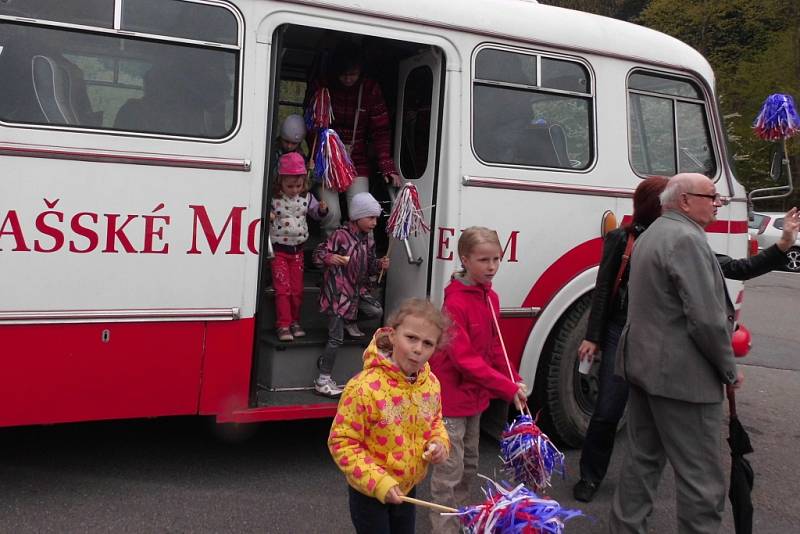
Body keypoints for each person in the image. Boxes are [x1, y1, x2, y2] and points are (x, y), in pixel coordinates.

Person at [573, 181, 800, 503]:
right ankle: (590, 476)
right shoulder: (624, 238)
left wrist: (782, 246)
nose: (718, 203)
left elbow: (738, 268)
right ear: (659, 204)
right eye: (711, 197)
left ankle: (637, 488)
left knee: (648, 424)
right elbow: (603, 289)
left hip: (661, 342)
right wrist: (592, 337)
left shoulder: (688, 240)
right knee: (608, 409)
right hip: (622, 331)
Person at [609, 173, 745, 533]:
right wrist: (729, 370)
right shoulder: (686, 239)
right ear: (685, 200)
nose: (717, 203)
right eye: (712, 196)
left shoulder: (653, 233)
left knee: (641, 464)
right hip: (683, 380)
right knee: (702, 483)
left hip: (642, 369)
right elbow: (707, 320)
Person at [428, 226, 528, 534]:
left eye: (496, 259)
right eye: (484, 260)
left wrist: (515, 380)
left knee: (469, 464)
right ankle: (444, 528)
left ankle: (457, 520)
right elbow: (465, 359)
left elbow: (496, 346)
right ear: (465, 260)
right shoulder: (455, 304)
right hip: (452, 400)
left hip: (475, 398)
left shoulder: (491, 297)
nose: (492, 267)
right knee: (449, 470)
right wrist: (505, 387)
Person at [328, 298, 450, 534]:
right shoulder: (363, 388)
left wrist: (439, 443)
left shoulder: (431, 384)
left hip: (407, 489)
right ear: (393, 335)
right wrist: (379, 481)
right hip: (370, 492)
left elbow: (435, 422)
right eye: (411, 338)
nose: (418, 349)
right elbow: (342, 442)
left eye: (428, 343)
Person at [307, 41, 402, 236]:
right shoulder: (322, 87)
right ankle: (333, 258)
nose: (348, 79)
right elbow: (311, 127)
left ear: (361, 71)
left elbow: (381, 129)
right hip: (327, 162)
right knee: (331, 212)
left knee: (363, 211)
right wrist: (316, 157)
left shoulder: (370, 89)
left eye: (353, 74)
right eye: (343, 74)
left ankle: (362, 258)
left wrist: (387, 165)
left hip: (357, 160)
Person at [313, 192, 390, 396]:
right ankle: (322, 379)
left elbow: (371, 268)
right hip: (338, 295)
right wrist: (331, 258)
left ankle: (350, 320)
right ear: (357, 217)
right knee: (335, 339)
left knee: (375, 310)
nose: (375, 222)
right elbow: (318, 255)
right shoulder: (340, 235)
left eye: (376, 218)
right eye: (371, 218)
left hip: (356, 294)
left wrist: (379, 265)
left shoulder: (368, 241)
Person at [269, 152, 328, 342]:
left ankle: (295, 321)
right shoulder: (273, 199)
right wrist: (267, 215)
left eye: (298, 185)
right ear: (280, 182)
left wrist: (322, 210)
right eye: (290, 186)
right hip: (279, 251)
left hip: (298, 251)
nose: (295, 190)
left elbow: (317, 216)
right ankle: (283, 324)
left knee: (297, 290)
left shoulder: (307, 198)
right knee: (282, 290)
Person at [271, 114, 307, 179]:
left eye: (294, 143)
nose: (289, 146)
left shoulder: (300, 156)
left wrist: (306, 167)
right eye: (286, 141)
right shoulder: (272, 151)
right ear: (281, 138)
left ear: (299, 143)